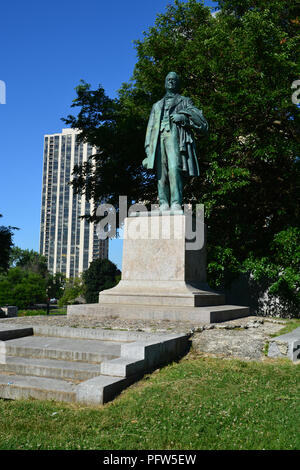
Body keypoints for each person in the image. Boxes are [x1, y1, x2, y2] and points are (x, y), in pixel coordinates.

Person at [143, 71, 208, 211]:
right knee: (161, 172)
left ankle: (176, 202)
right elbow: (150, 127)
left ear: (177, 83)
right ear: (165, 83)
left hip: (174, 136)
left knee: (174, 168)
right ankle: (163, 203)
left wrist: (184, 118)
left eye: (174, 80)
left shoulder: (184, 101)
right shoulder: (157, 105)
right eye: (168, 80)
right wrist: (148, 148)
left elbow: (201, 122)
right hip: (158, 139)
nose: (171, 82)